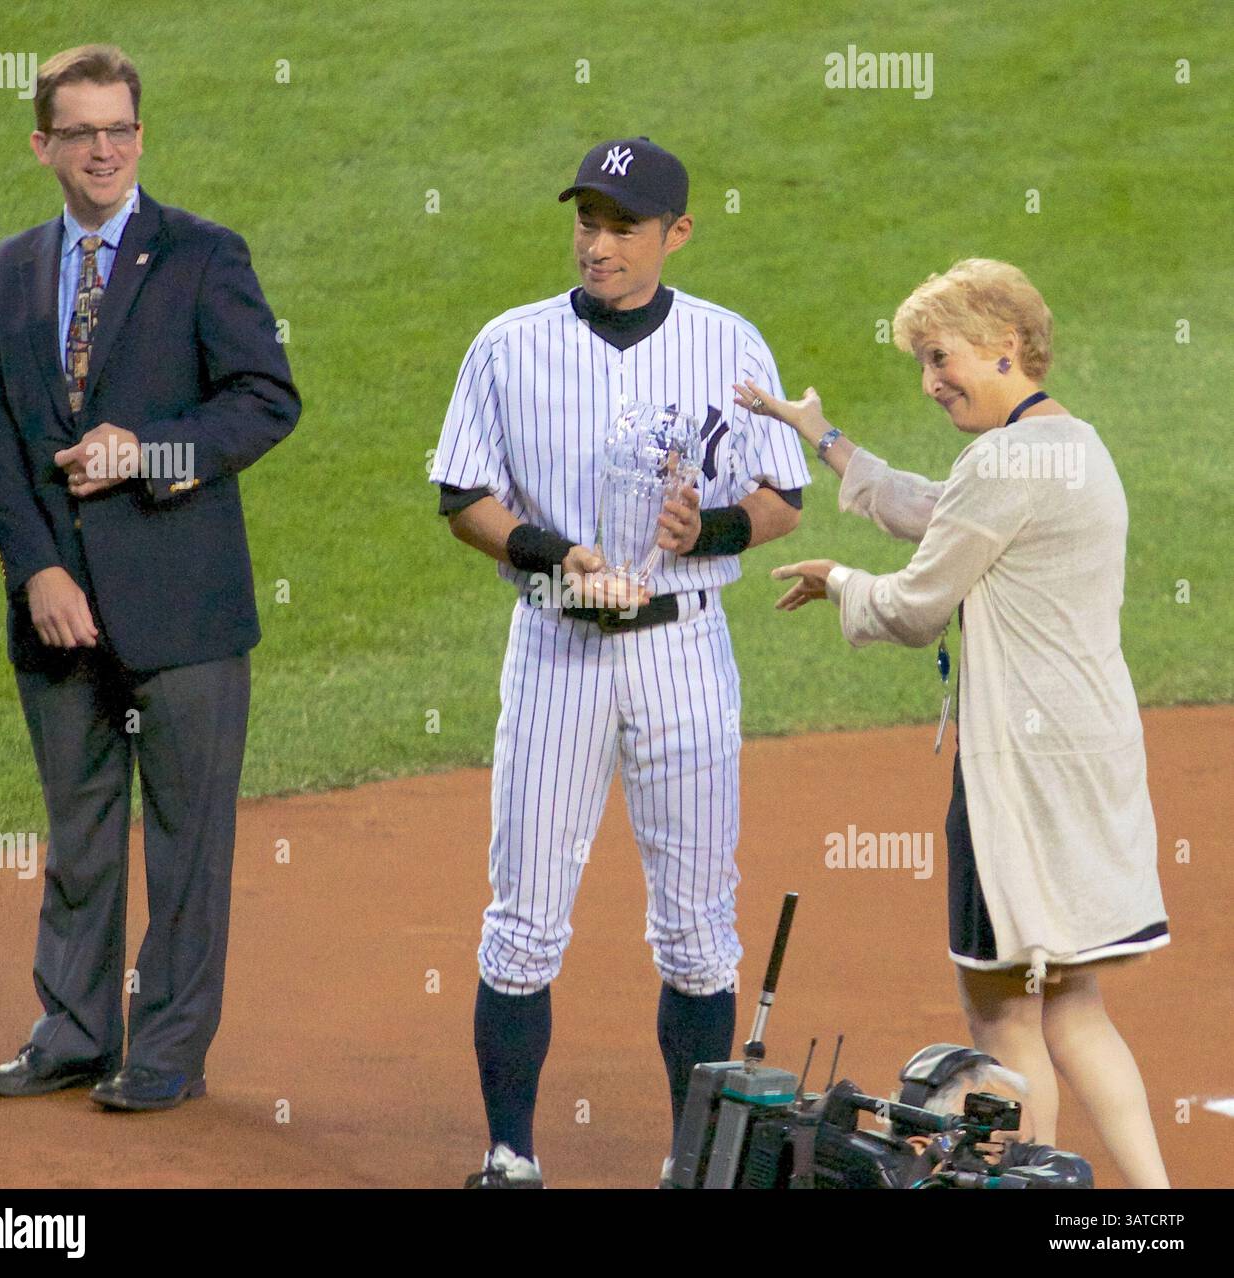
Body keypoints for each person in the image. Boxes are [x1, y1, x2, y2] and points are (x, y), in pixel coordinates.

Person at [735, 258, 1170, 1188]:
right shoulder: (1073, 445)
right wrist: (830, 443)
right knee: (1072, 1006)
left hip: (1020, 777)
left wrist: (839, 581)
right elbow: (945, 516)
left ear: (1004, 347)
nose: (932, 382)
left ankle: (1031, 1194)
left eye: (942, 358)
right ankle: (1157, 1210)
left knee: (1004, 1016)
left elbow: (919, 602)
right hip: (1091, 762)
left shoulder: (1004, 460)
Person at [430, 137, 810, 1187]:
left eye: (621, 227)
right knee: (522, 923)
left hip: (684, 651)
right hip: (555, 646)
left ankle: (695, 1167)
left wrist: (713, 533)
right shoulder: (509, 345)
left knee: (698, 934)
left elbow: (782, 495)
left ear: (675, 234)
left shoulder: (729, 346)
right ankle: (510, 1157)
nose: (597, 245)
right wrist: (555, 556)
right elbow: (463, 497)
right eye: (586, 222)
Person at [0, 44, 299, 1111]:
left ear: (141, 137)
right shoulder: (3, 274)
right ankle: (70, 1032)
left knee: (187, 844)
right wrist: (39, 574)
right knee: (79, 833)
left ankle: (162, 1053)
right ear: (42, 145)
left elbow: (263, 400)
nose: (102, 149)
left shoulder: (204, 256)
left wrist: (148, 451)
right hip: (59, 610)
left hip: (185, 608)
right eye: (80, 132)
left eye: (119, 129)